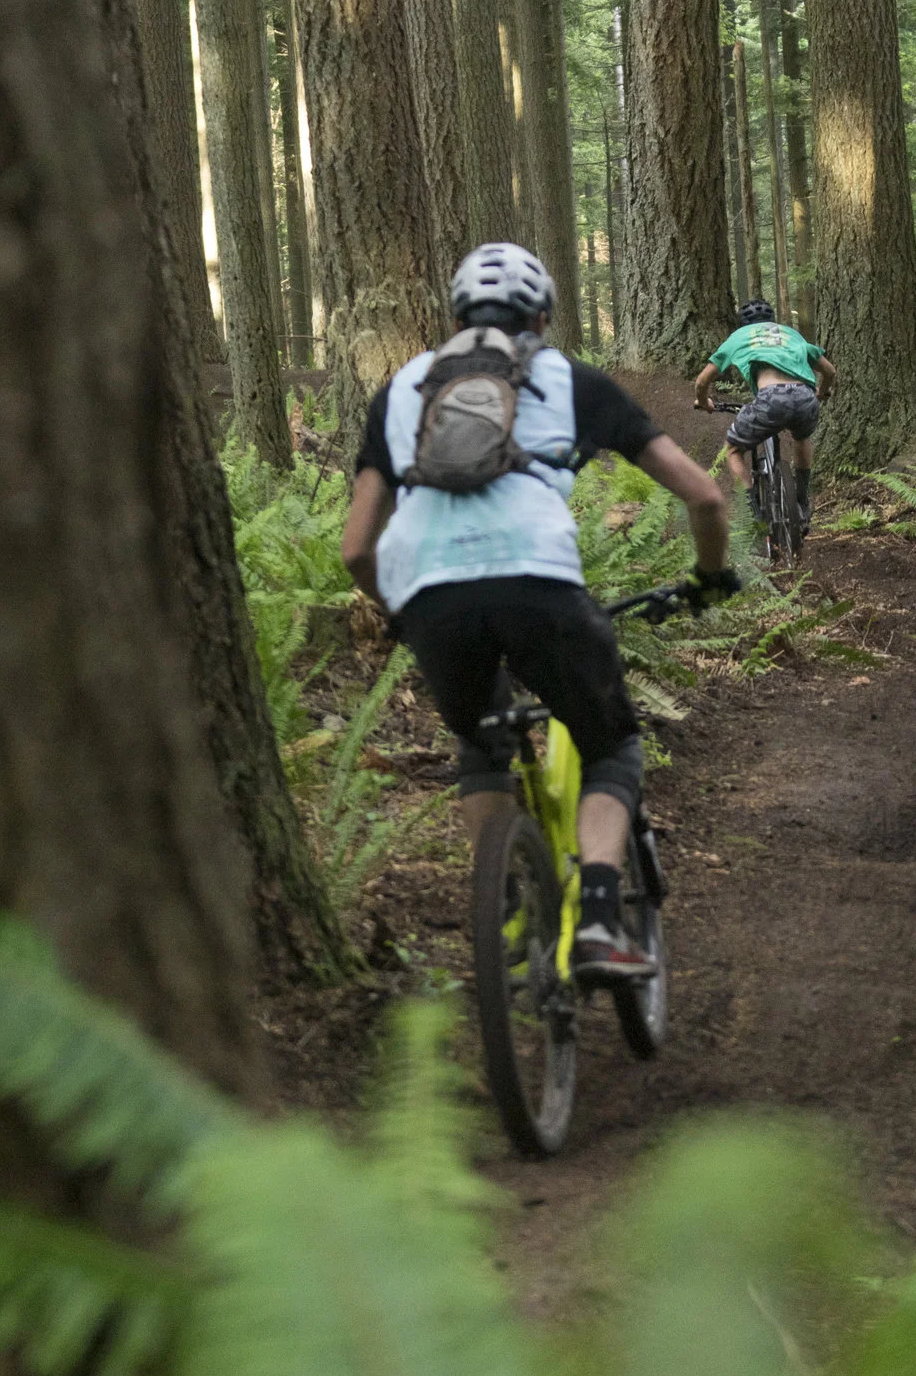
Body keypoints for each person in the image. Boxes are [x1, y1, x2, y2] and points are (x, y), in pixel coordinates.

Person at [341, 243, 738, 984]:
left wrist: (403, 614)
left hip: (430, 594)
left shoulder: (400, 391)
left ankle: (506, 911)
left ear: (454, 318)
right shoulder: (571, 380)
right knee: (610, 745)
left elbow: (357, 549)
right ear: (543, 318)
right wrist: (711, 577)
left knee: (480, 744)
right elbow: (706, 495)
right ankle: (597, 920)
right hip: (538, 585)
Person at [691, 300, 838, 520]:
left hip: (770, 399)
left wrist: (704, 402)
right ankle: (801, 500)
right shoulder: (791, 334)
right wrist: (820, 393)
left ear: (743, 323)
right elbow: (830, 372)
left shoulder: (738, 337)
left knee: (733, 449)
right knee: (802, 437)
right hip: (805, 396)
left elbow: (702, 381)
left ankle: (751, 513)